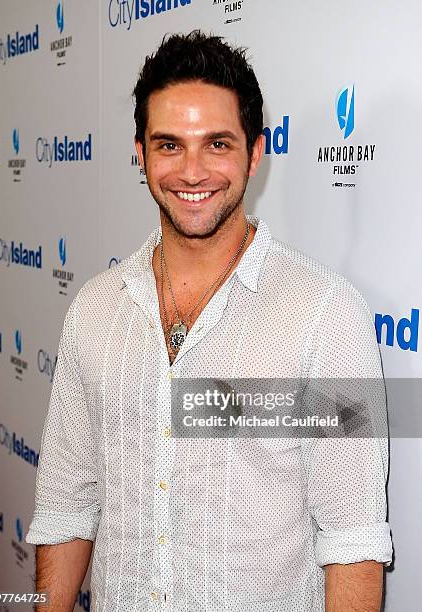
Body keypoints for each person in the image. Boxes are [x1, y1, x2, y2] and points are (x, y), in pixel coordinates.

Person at [26, 31, 393, 611]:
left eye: (217, 144)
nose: (192, 172)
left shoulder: (327, 315)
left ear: (254, 152)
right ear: (141, 154)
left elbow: (353, 545)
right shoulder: (94, 311)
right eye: (169, 145)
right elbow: (67, 508)